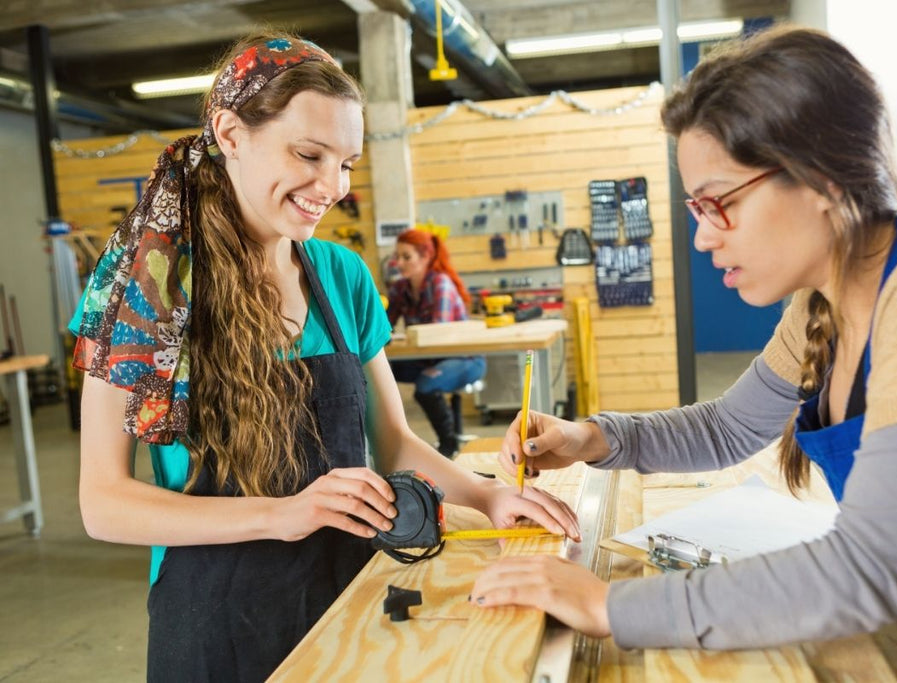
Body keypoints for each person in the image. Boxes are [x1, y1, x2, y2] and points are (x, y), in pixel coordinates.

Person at [469, 26, 897, 682]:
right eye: (694, 207)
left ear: (820, 177)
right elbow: (729, 427)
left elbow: (864, 572)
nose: (703, 238)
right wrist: (590, 436)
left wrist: (607, 603)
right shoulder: (827, 298)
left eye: (719, 204)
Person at [71, 32, 579, 682]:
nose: (331, 185)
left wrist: (488, 495)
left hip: (351, 595)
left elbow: (391, 443)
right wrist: (283, 512)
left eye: (346, 162)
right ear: (230, 132)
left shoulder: (340, 275)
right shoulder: (145, 284)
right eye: (309, 154)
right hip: (213, 624)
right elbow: (104, 502)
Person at [386, 228, 486, 457]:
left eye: (406, 257)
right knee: (371, 374)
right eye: (397, 256)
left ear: (426, 257)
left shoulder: (440, 284)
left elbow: (435, 334)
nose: (399, 263)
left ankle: (449, 446)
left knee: (426, 386)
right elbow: (383, 327)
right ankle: (387, 446)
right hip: (426, 359)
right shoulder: (400, 288)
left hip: (465, 359)